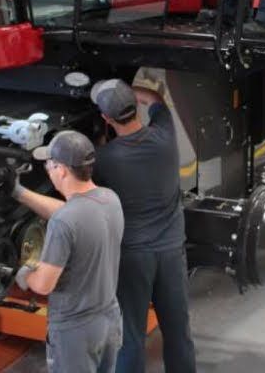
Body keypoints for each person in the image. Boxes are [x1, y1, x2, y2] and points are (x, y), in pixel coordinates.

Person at [91, 79, 196, 373]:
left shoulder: (106, 159)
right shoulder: (165, 135)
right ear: (135, 106)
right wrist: (130, 90)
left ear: (106, 119)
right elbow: (155, 97)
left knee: (131, 336)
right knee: (178, 330)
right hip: (172, 251)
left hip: (132, 257)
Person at [10, 131, 125, 373]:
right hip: (108, 319)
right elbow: (69, 212)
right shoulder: (110, 199)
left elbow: (43, 285)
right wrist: (19, 193)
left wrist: (24, 274)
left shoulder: (64, 222)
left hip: (75, 330)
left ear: (62, 170)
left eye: (50, 165)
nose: (49, 171)